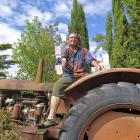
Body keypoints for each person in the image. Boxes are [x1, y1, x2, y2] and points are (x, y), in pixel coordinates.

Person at [38, 33, 104, 128]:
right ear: (68, 40)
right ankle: (51, 118)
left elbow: (90, 60)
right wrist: (60, 66)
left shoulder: (83, 51)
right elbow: (62, 61)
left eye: (75, 37)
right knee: (57, 86)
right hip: (68, 76)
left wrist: (97, 65)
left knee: (94, 84)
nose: (73, 39)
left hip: (82, 75)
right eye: (71, 37)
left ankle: (97, 113)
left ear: (78, 40)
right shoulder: (63, 51)